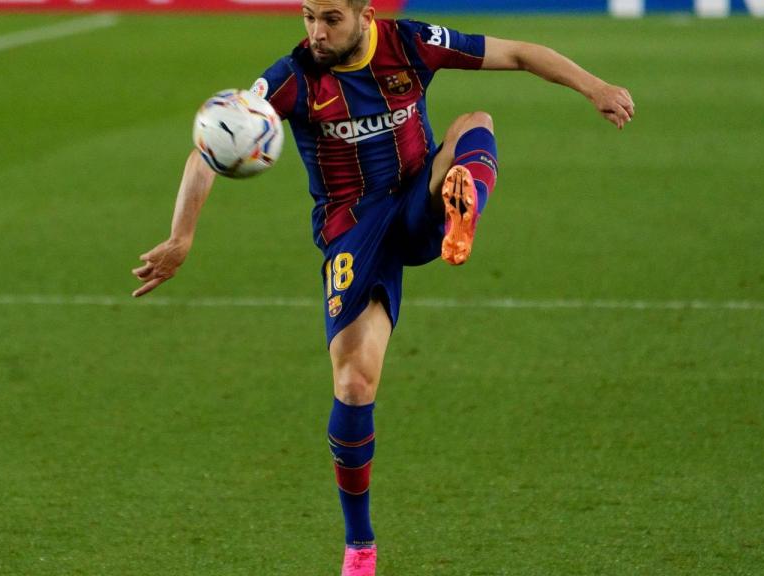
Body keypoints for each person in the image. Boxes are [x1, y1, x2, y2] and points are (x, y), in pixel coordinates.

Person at [132, 1, 635, 574]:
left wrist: (594, 86)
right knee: (352, 383)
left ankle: (461, 205)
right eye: (307, 17)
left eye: (330, 19)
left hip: (419, 195)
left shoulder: (413, 43)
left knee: (476, 123)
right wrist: (181, 236)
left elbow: (520, 53)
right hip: (352, 232)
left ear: (365, 15)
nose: (316, 33)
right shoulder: (291, 76)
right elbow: (212, 145)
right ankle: (360, 546)